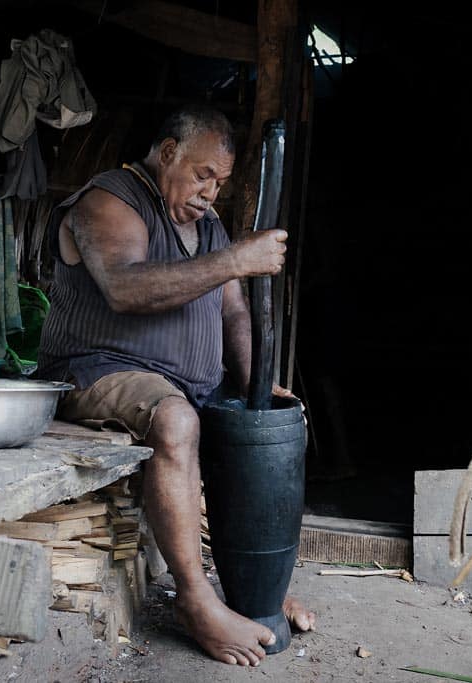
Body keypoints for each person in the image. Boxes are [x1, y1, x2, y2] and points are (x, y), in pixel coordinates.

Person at [37, 104, 315, 666]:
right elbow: (123, 287)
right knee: (176, 420)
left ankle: (253, 591)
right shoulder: (111, 198)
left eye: (221, 182)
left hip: (187, 385)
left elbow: (233, 313)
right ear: (168, 154)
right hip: (94, 371)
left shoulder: (208, 227)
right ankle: (194, 601)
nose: (211, 192)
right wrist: (236, 258)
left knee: (265, 427)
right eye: (202, 175)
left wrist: (256, 386)